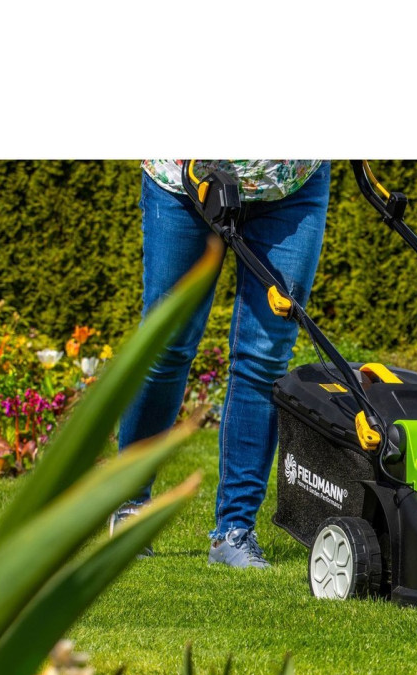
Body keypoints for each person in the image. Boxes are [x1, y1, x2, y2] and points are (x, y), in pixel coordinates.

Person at [111, 159, 330, 568]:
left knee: (265, 357)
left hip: (288, 185)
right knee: (165, 347)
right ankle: (130, 508)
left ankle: (234, 532)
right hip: (185, 180)